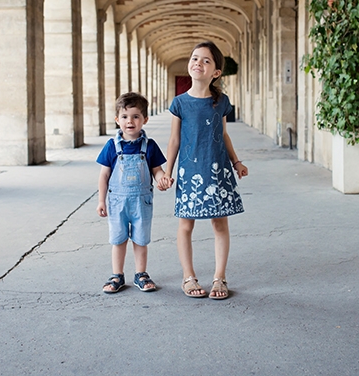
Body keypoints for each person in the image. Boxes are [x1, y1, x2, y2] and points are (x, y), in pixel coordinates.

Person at [164, 42, 248, 300]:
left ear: (216, 73)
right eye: (194, 58)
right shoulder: (180, 103)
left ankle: (219, 277)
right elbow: (175, 140)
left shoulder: (220, 101)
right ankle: (188, 277)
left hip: (217, 171)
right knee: (185, 224)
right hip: (190, 172)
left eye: (206, 61)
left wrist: (236, 162)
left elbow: (223, 134)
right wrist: (168, 172)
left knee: (219, 223)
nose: (198, 63)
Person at [96, 92, 172, 294]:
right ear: (117, 120)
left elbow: (156, 169)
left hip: (141, 202)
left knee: (140, 239)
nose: (130, 121)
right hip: (117, 202)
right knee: (118, 239)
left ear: (145, 119)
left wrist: (163, 178)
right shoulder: (112, 146)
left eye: (136, 116)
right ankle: (117, 275)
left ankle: (141, 273)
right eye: (125, 117)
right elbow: (104, 176)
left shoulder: (150, 146)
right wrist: (101, 201)